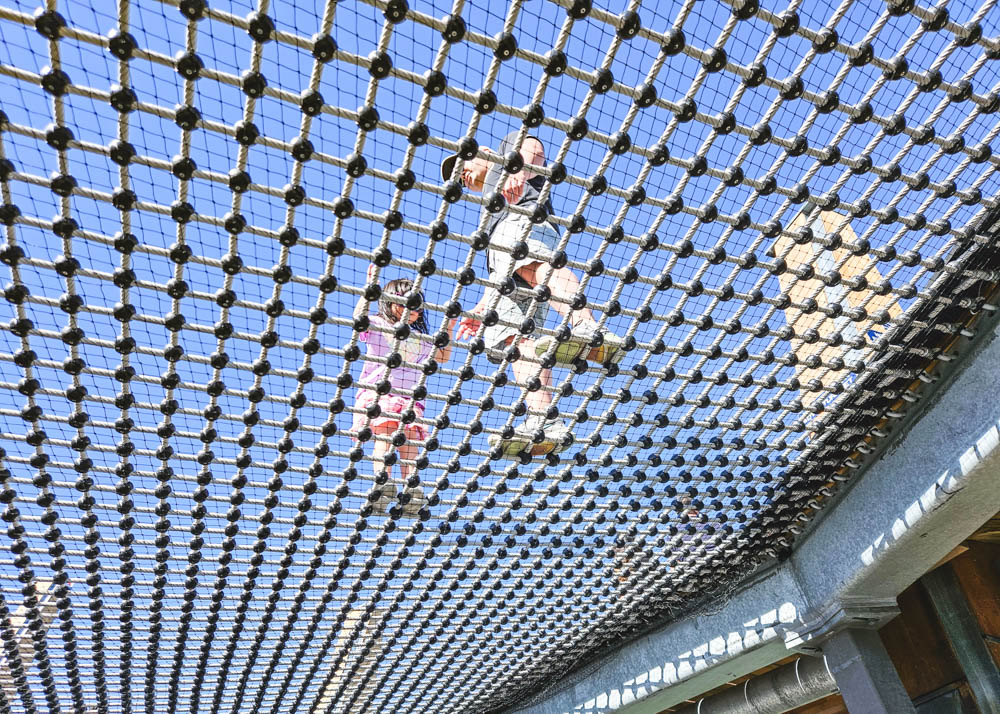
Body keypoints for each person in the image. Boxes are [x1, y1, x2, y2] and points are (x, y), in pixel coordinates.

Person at [442, 132, 623, 457]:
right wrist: (484, 305)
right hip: (501, 252)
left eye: (462, 166)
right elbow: (502, 270)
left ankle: (589, 327)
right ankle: (543, 421)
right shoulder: (488, 210)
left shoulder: (502, 153)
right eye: (458, 177)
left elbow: (534, 145)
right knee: (516, 339)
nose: (462, 175)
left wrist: (517, 170)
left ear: (481, 151)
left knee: (536, 266)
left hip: (524, 220)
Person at [352, 265, 456, 515]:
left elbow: (443, 356)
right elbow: (359, 321)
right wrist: (370, 289)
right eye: (405, 303)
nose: (413, 310)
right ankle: (382, 481)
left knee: (409, 445)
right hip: (380, 394)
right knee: (384, 437)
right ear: (390, 303)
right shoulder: (378, 325)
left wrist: (450, 325)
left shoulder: (421, 340)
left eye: (417, 306)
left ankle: (412, 488)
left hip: (410, 402)